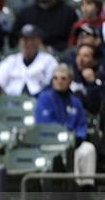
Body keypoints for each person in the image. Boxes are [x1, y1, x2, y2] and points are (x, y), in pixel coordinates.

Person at [35, 63, 97, 191]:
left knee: (88, 148)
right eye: (55, 78)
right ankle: (64, 188)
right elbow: (43, 124)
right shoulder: (44, 98)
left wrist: (78, 137)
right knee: (65, 152)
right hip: (49, 143)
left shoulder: (76, 102)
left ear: (70, 81)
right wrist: (65, 137)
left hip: (72, 143)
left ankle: (86, 188)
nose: (59, 81)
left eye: (63, 78)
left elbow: (82, 125)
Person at [10, 0, 77, 52]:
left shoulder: (68, 13)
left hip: (58, 56)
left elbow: (73, 41)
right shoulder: (25, 13)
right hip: (28, 55)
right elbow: (13, 39)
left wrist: (50, 49)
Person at [0, 24, 57, 99]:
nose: (25, 43)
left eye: (29, 39)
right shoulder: (10, 60)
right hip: (12, 102)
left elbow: (54, 83)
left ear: (38, 41)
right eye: (22, 39)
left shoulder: (48, 60)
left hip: (38, 100)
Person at [69, 44, 105, 115]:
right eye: (78, 55)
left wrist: (92, 83)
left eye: (86, 56)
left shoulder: (101, 78)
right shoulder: (69, 74)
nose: (80, 59)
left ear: (94, 61)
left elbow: (95, 108)